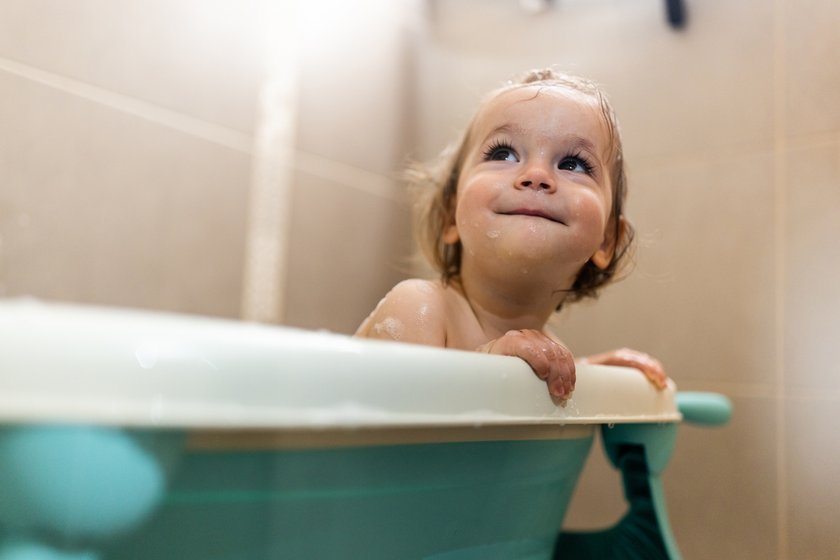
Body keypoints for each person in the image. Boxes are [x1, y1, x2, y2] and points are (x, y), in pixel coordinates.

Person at [356, 68, 667, 399]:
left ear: (607, 239)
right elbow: (398, 427)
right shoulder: (419, 307)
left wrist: (590, 375)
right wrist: (488, 367)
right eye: (502, 153)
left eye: (573, 163)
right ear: (450, 214)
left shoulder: (548, 347)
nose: (536, 175)